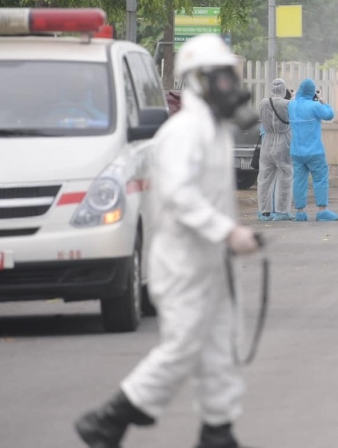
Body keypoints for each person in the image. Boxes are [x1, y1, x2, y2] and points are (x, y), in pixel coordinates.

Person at [75, 33, 261, 448]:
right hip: (182, 265)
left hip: (211, 263)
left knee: (219, 350)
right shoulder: (184, 132)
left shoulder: (215, 130)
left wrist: (226, 239)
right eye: (224, 77)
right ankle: (108, 418)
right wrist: (227, 231)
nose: (232, 86)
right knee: (183, 348)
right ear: (198, 80)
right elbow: (179, 196)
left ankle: (218, 431)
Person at [289, 79, 338, 222]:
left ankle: (300, 212)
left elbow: (293, 103)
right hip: (315, 151)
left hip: (296, 152)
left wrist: (294, 97)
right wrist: (322, 100)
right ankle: (322, 211)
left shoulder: (291, 106)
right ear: (312, 92)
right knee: (320, 179)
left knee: (299, 181)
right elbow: (330, 115)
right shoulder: (315, 106)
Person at [256, 78, 293, 222]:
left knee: (264, 178)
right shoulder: (287, 104)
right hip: (283, 141)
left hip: (267, 142)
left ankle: (264, 212)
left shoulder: (263, 103)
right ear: (284, 90)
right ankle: (282, 211)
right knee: (285, 176)